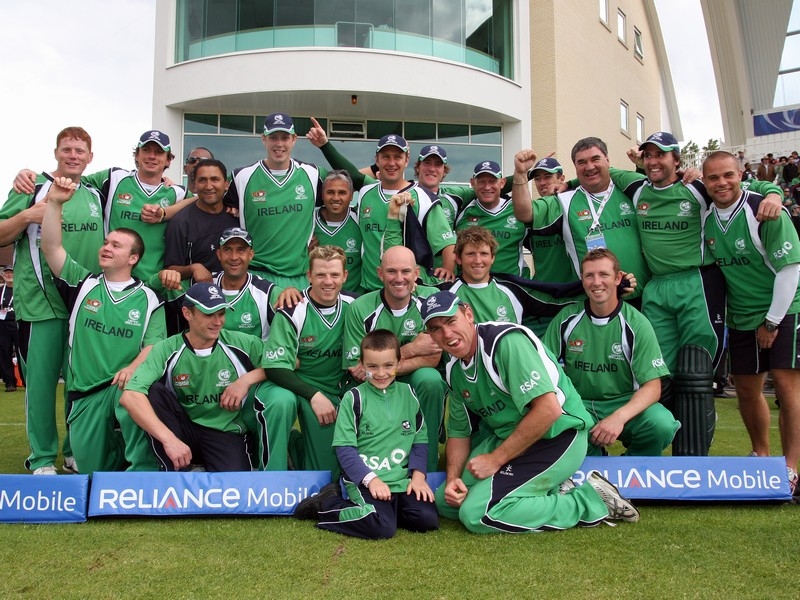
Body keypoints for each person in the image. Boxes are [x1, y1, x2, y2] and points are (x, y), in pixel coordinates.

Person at [613, 131, 782, 456]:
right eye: (648, 155)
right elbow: (597, 172)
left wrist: (774, 193)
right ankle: (653, 445)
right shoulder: (635, 188)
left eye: (661, 154)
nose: (653, 161)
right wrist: (560, 185)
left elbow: (741, 187)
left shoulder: (696, 187)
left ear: (676, 160)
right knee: (656, 372)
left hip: (697, 281)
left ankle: (696, 445)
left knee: (695, 369)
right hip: (657, 287)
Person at [421, 290, 639, 533]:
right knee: (447, 502)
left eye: (451, 321)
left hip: (557, 436)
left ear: (468, 315)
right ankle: (550, 489)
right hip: (511, 439)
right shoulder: (453, 368)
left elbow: (548, 410)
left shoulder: (504, 343)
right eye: (436, 328)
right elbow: (459, 432)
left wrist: (495, 460)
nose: (447, 334)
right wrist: (453, 478)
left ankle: (590, 502)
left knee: (477, 514)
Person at [40, 176, 168, 475]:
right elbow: (51, 247)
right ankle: (114, 462)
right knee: (92, 469)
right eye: (106, 242)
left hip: (122, 387)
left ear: (133, 258)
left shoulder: (149, 299)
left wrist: (132, 369)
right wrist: (55, 202)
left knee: (139, 396)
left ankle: (142, 474)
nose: (106, 247)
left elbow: (154, 346)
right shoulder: (82, 284)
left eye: (116, 245)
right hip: (85, 393)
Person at [0, 126, 105, 474]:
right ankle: (42, 458)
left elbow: (142, 179)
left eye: (80, 151)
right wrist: (27, 216)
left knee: (80, 383)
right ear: (56, 152)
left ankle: (75, 451)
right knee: (42, 386)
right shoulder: (32, 186)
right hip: (40, 304)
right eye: (67, 149)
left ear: (90, 157)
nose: (73, 156)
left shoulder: (96, 191)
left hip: (85, 305)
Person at [702, 151, 800, 494]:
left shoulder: (765, 210)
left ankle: (790, 468)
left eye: (728, 175)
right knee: (746, 390)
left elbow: (790, 270)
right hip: (741, 316)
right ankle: (761, 456)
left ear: (741, 175)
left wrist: (772, 323)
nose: (721, 183)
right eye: (713, 178)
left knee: (787, 388)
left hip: (785, 309)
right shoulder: (707, 217)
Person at [293, 330, 439, 539]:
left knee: (427, 520)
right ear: (361, 364)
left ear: (399, 362)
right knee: (381, 528)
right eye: (372, 366)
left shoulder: (409, 394)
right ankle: (327, 504)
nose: (381, 373)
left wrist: (418, 478)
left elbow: (419, 441)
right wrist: (372, 480)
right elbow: (345, 449)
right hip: (364, 480)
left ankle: (384, 512)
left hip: (400, 481)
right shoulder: (354, 398)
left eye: (388, 365)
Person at [120, 282, 268, 471]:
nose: (217, 322)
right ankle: (173, 471)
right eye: (209, 314)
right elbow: (130, 396)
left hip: (224, 431)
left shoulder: (242, 343)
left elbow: (288, 362)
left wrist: (246, 380)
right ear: (187, 313)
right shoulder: (166, 349)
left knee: (234, 485)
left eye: (221, 313)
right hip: (182, 430)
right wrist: (169, 440)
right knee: (152, 392)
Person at [545, 248, 678, 456]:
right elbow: (544, 371)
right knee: (549, 424)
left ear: (617, 278)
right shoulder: (566, 319)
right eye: (589, 275)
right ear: (582, 280)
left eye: (604, 274)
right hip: (578, 404)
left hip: (623, 402)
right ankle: (594, 459)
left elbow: (653, 387)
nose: (596, 282)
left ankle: (632, 466)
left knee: (661, 424)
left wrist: (619, 417)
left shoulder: (637, 323)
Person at [15, 130, 190, 280]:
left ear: (168, 160)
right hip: (111, 280)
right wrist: (28, 173)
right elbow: (73, 177)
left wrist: (164, 213)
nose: (152, 156)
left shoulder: (177, 193)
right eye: (146, 150)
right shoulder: (113, 177)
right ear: (137, 155)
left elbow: (199, 200)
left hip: (153, 281)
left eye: (159, 152)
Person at [308, 122, 457, 289]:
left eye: (397, 157)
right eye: (386, 157)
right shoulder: (366, 192)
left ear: (406, 160)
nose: (391, 163)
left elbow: (446, 242)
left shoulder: (423, 198)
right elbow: (350, 175)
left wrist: (447, 270)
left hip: (405, 290)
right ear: (377, 160)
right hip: (369, 288)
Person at [343, 244, 448, 472]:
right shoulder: (360, 308)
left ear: (416, 273)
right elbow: (358, 370)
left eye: (406, 271)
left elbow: (433, 357)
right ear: (380, 274)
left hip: (413, 379)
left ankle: (427, 470)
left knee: (430, 380)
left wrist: (379, 366)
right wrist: (412, 349)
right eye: (391, 271)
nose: (399, 278)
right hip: (372, 386)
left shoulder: (429, 302)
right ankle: (377, 466)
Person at [511, 138, 651, 304]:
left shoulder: (629, 189)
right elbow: (525, 213)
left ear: (607, 160)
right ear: (575, 166)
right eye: (582, 162)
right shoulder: (564, 201)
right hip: (594, 300)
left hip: (642, 297)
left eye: (595, 159)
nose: (589, 166)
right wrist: (520, 174)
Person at [256, 245, 356, 472]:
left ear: (345, 276)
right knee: (281, 402)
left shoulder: (356, 306)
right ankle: (272, 477)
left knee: (328, 473)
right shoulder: (292, 309)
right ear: (309, 275)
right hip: (295, 386)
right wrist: (313, 395)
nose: (328, 281)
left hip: (333, 389)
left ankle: (295, 445)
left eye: (334, 275)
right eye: (320, 275)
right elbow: (274, 368)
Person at [225, 113, 332, 289]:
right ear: (263, 139)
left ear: (294, 139)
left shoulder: (312, 174)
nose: (279, 144)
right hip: (257, 276)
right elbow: (208, 199)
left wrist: (325, 145)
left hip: (299, 277)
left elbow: (350, 181)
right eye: (273, 137)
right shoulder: (241, 177)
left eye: (285, 137)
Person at [441, 226, 582, 336]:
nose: (478, 260)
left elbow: (557, 302)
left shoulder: (513, 290)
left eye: (484, 254)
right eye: (471, 254)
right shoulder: (445, 292)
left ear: (492, 258)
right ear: (458, 258)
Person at [164, 159, 239, 282]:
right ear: (195, 185)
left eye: (215, 179)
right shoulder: (181, 222)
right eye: (202, 180)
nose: (209, 186)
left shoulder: (237, 215)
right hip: (197, 290)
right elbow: (170, 269)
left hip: (237, 289)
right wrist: (193, 268)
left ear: (226, 184)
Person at [455, 161, 529, 277]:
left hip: (513, 284)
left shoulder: (519, 209)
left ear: (502, 182)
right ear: (473, 183)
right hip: (472, 285)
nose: (487, 187)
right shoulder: (461, 212)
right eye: (482, 182)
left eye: (492, 181)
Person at [211, 227, 284, 340]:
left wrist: (291, 291)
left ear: (250, 254)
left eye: (241, 250)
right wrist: (193, 268)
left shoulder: (267, 292)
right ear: (219, 254)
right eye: (227, 250)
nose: (234, 257)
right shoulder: (205, 284)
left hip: (254, 352)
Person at [525, 157, 575, 283]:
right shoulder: (532, 210)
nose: (542, 182)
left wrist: (570, 184)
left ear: (562, 179)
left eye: (547, 177)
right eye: (537, 179)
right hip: (541, 288)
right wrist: (521, 173)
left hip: (573, 288)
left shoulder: (574, 202)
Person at [313, 171, 363, 294]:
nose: (336, 198)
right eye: (330, 192)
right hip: (319, 298)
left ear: (351, 196)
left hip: (355, 298)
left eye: (342, 193)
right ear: (322, 195)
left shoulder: (360, 219)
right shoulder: (309, 222)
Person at [0, 266, 18, 392]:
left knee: (22, 353)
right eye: (6, 273)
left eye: (11, 272)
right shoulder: (1, 290)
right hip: (3, 326)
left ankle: (26, 380)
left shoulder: (20, 289)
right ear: (2, 275)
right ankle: (10, 382)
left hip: (18, 324)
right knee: (4, 353)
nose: (9, 275)